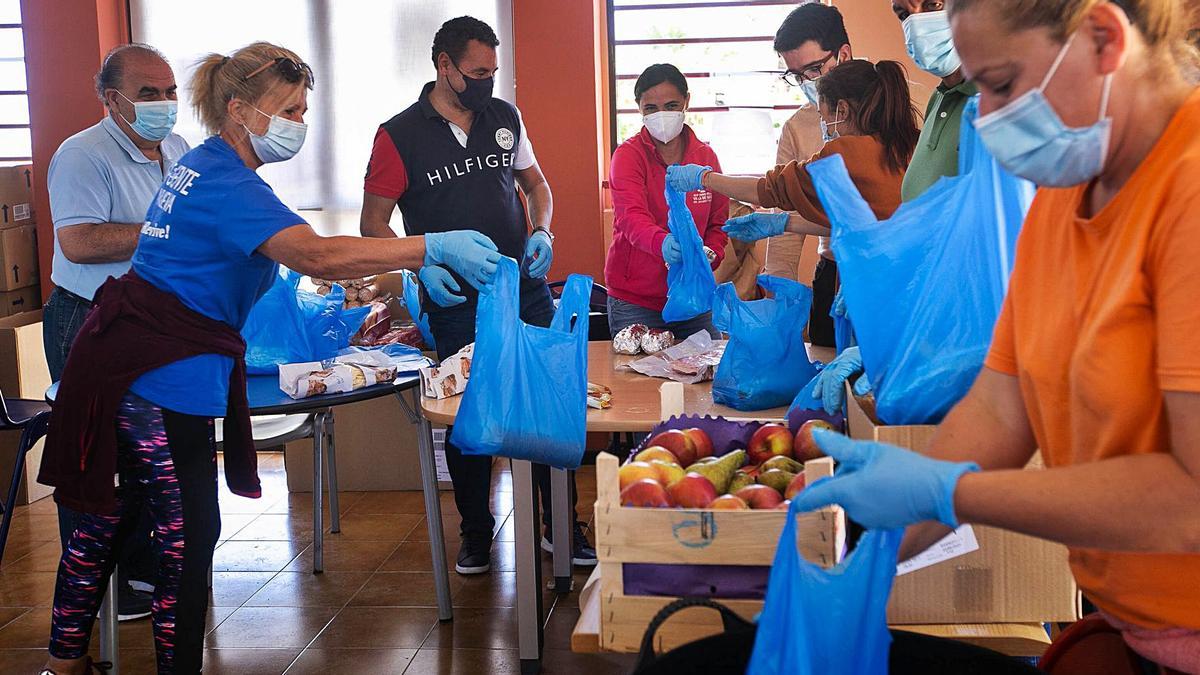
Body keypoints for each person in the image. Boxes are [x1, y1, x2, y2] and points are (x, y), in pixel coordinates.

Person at [37, 42, 501, 675]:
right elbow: (316, 257)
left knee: (107, 522)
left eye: (304, 109)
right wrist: (428, 248)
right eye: (286, 109)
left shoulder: (199, 163)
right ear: (239, 110)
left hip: (127, 360)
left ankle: (62, 662)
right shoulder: (226, 182)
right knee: (186, 539)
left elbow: (252, 264)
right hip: (157, 376)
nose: (298, 124)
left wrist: (410, 274)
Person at [793, 1, 1200, 671]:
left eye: (1003, 83)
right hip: (1131, 628)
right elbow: (1000, 404)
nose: (986, 113)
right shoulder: (1064, 197)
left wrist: (948, 492)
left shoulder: (1184, 188)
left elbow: (1189, 497)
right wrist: (871, 554)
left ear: (1102, 38)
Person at [359, 16, 595, 575]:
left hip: (526, 291)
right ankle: (474, 530)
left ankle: (560, 522)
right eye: (477, 71)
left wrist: (543, 230)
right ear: (444, 65)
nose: (489, 81)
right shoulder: (398, 136)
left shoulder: (504, 117)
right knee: (468, 415)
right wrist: (418, 267)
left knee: (544, 404)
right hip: (454, 300)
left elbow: (537, 185)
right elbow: (373, 224)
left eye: (494, 70)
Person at [43, 43, 192, 622]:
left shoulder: (176, 148)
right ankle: (96, 586)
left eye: (170, 91)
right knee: (92, 454)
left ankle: (140, 567)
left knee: (145, 455)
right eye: (149, 94)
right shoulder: (81, 155)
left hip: (151, 318)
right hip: (87, 317)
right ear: (112, 99)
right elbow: (79, 242)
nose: (164, 104)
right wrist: (165, 227)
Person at [668, 59, 920, 295]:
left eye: (823, 117)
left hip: (881, 286)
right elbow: (863, 223)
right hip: (919, 282)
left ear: (842, 110)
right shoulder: (913, 144)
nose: (824, 126)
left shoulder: (846, 153)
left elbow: (768, 189)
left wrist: (705, 178)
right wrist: (784, 223)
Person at [604, 63, 728, 339]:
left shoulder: (705, 158)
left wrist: (712, 252)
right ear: (639, 108)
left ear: (687, 101)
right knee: (636, 380)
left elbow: (719, 222)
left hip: (694, 298)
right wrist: (662, 243)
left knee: (704, 376)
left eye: (671, 105)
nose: (662, 115)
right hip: (637, 302)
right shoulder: (628, 156)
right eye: (651, 108)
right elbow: (630, 217)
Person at [771, 3, 854, 347]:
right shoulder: (799, 126)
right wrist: (779, 297)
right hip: (832, 271)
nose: (807, 83)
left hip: (897, 273)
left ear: (844, 55)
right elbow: (785, 210)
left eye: (814, 69)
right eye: (796, 75)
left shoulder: (902, 104)